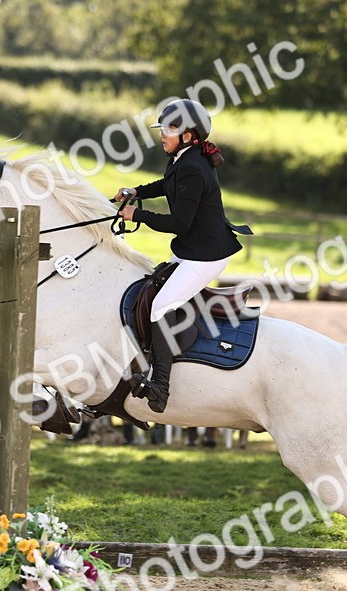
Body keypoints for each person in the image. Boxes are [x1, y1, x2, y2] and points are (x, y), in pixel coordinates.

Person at [114, 99, 251, 413]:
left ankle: (161, 387)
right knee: (153, 289)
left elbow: (179, 224)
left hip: (207, 255)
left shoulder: (193, 166)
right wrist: (136, 191)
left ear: (187, 136)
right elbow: (168, 184)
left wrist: (138, 215)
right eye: (162, 129)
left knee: (161, 306)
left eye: (168, 130)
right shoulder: (184, 158)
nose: (162, 135)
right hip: (193, 250)